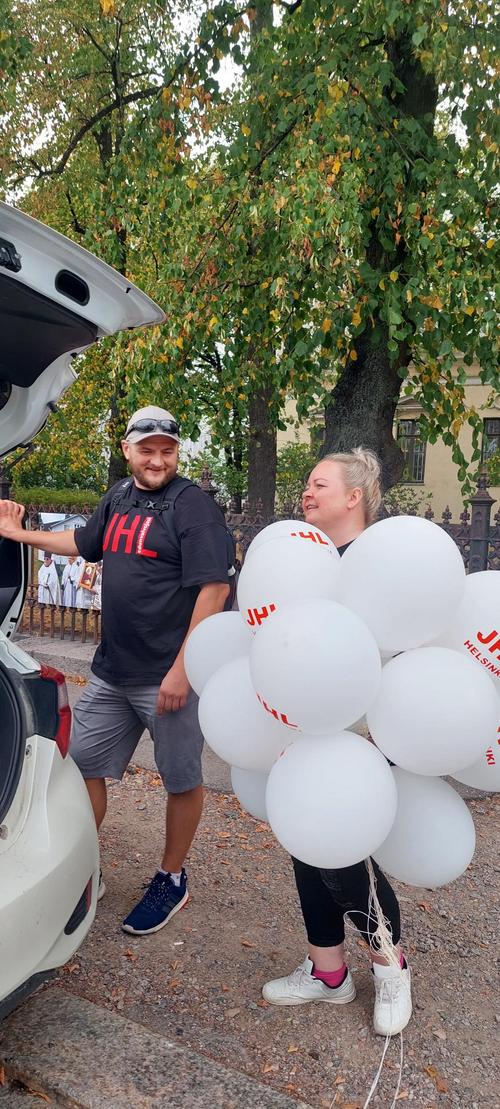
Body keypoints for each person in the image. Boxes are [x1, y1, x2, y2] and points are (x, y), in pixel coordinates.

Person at [0, 405, 231, 935]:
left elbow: (214, 590)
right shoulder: (119, 497)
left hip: (168, 675)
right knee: (80, 768)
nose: (157, 460)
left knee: (181, 779)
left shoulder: (193, 507)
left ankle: (171, 878)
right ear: (128, 450)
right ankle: (84, 862)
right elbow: (83, 544)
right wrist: (18, 535)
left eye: (167, 451)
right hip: (112, 671)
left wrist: (183, 671)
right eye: (147, 450)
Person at [262, 448, 412, 1038]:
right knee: (305, 842)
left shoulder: (378, 563)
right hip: (304, 730)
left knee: (346, 854)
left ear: (355, 496)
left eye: (319, 483)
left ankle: (391, 965)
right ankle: (328, 973)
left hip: (364, 736)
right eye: (306, 483)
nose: (307, 491)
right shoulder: (305, 562)